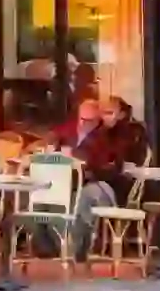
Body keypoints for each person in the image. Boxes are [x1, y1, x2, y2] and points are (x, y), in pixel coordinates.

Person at [44, 98, 121, 261]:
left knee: (84, 198)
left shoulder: (105, 137)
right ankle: (48, 246)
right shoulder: (67, 131)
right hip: (65, 181)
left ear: (97, 120)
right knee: (41, 194)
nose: (84, 123)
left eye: (89, 120)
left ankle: (77, 249)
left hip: (93, 183)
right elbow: (52, 139)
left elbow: (110, 166)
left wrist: (88, 166)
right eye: (82, 119)